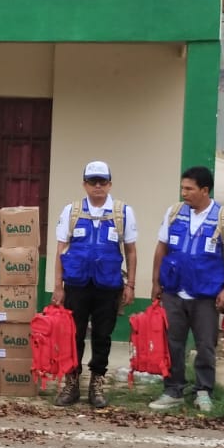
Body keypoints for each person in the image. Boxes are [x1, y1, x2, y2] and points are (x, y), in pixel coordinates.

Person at [149, 164, 224, 413]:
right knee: (173, 343)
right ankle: (173, 390)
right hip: (174, 292)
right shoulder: (174, 213)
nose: (184, 193)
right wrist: (155, 282)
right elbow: (161, 248)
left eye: (189, 189)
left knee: (205, 344)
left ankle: (203, 390)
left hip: (206, 294)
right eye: (182, 188)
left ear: (205, 190)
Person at [49, 160, 137, 409]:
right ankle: (72, 383)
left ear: (109, 184)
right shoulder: (72, 211)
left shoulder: (122, 212)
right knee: (73, 336)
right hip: (76, 285)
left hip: (108, 286)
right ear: (84, 184)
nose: (97, 186)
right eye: (92, 182)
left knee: (102, 336)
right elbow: (60, 250)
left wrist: (130, 285)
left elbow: (131, 251)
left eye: (102, 182)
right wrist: (58, 286)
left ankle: (97, 383)